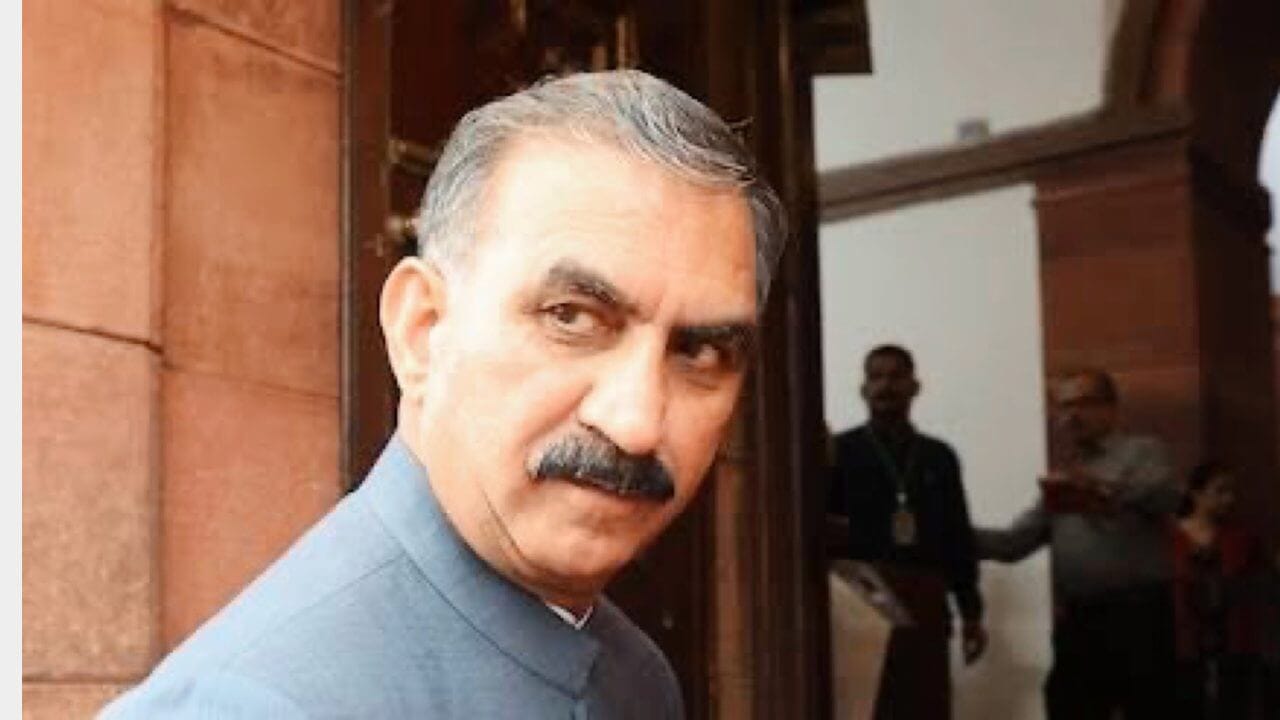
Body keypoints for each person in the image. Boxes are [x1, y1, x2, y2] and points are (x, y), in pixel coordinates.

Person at [101, 70, 787, 719]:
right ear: (422, 330)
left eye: (701, 352)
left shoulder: (635, 676)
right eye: (572, 317)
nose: (635, 421)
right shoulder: (247, 704)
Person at [976, 368, 1181, 720]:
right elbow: (1013, 544)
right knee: (1069, 706)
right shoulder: (1064, 477)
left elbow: (1167, 498)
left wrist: (1101, 490)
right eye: (1063, 406)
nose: (1072, 415)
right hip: (1080, 619)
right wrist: (947, 531)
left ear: (1111, 408)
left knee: (1148, 708)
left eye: (1083, 403)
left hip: (1137, 616)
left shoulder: (1142, 451)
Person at [827, 344, 987, 719]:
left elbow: (957, 537)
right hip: (861, 598)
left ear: (915, 387)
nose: (885, 385)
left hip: (925, 595)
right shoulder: (839, 451)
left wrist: (971, 612)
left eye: (896, 376)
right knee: (869, 706)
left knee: (925, 704)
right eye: (876, 377)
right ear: (863, 389)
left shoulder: (939, 456)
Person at [1170, 461, 1264, 719]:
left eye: (1231, 492)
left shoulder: (1241, 539)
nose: (1228, 499)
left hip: (1233, 643)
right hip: (1183, 643)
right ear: (1196, 494)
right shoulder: (1169, 538)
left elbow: (1255, 587)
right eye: (1220, 491)